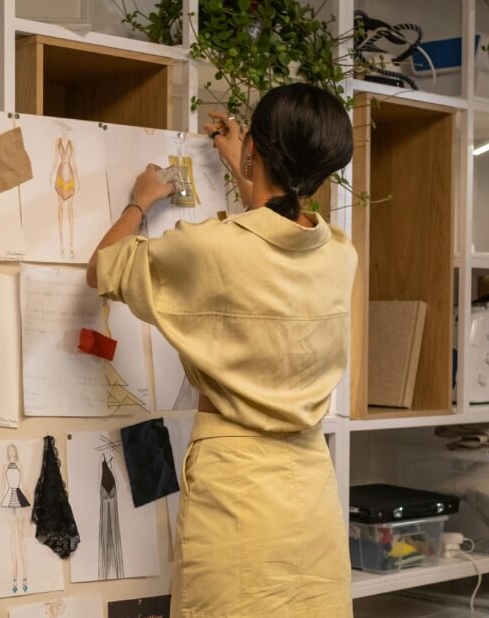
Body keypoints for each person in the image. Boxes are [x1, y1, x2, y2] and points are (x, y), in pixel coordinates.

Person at [86, 83, 357, 617]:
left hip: (236, 487)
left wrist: (141, 200)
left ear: (256, 144)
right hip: (310, 489)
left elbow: (103, 268)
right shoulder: (339, 255)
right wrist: (246, 166)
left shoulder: (209, 247)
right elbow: (272, 234)